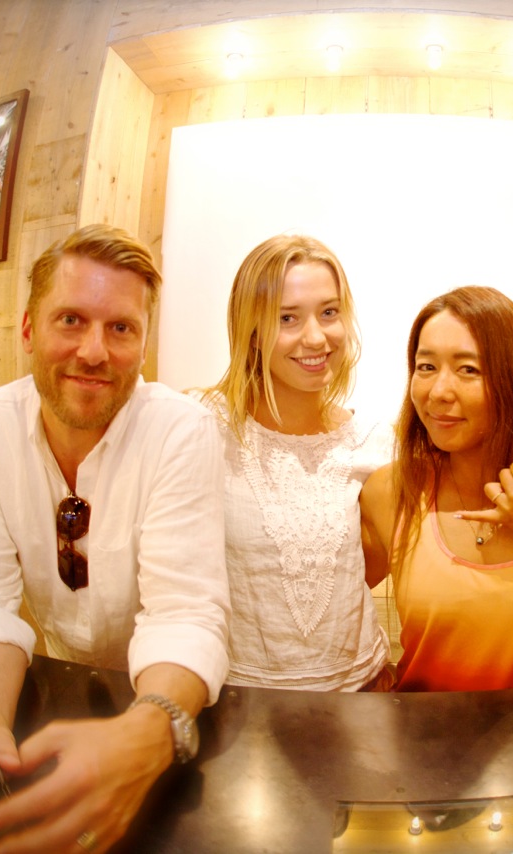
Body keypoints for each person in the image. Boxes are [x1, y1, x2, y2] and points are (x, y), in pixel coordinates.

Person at [0, 224, 230, 854]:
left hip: (175, 695)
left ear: (143, 344)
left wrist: (150, 730)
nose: (94, 352)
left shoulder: (181, 430)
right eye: (71, 320)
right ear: (28, 330)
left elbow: (186, 611)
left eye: (121, 328)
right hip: (60, 685)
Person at [360, 286, 513, 691]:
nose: (438, 392)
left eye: (468, 370)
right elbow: (330, 607)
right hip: (419, 728)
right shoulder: (391, 492)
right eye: (426, 367)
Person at [196, 234, 392, 691]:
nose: (316, 337)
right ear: (251, 332)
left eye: (329, 312)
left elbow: (366, 569)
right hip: (237, 696)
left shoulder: (373, 441)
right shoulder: (204, 426)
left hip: (361, 690)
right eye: (287, 318)